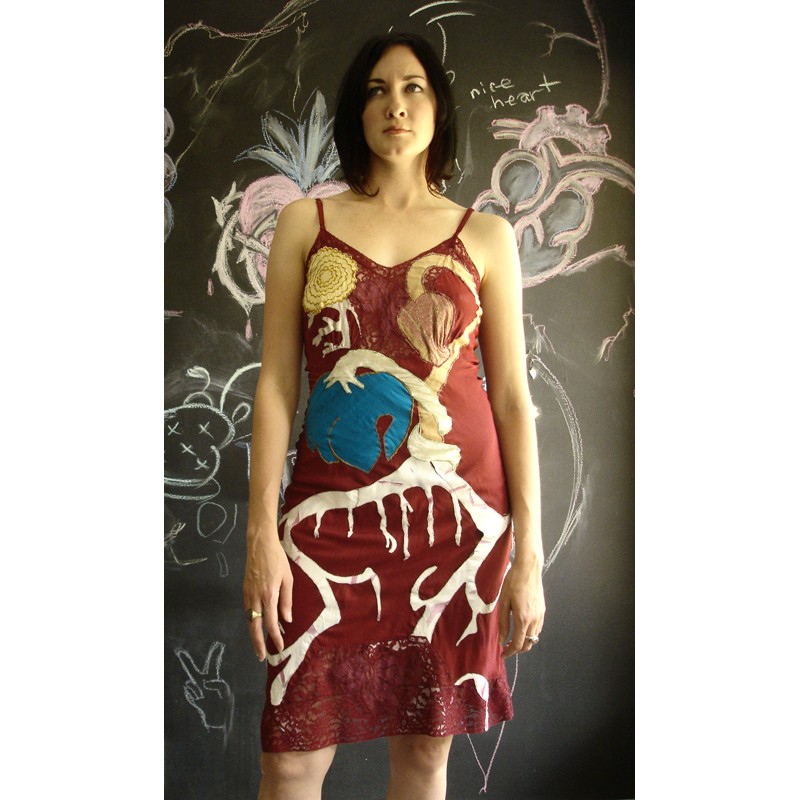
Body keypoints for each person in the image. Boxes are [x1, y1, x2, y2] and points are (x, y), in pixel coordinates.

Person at [243, 31, 545, 800]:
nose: (396, 106)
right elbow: (276, 386)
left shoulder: (485, 235)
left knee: (424, 754)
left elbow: (512, 398)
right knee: (291, 760)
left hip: (455, 520)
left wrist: (529, 557)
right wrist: (261, 535)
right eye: (377, 90)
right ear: (358, 111)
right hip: (327, 516)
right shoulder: (306, 224)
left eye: (413, 88)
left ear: (438, 109)